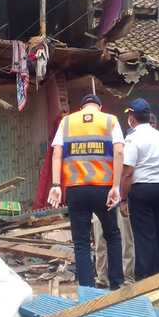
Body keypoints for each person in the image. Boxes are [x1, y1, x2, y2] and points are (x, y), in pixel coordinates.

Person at [48, 94, 125, 289]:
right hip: (104, 189)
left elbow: (57, 152)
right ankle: (116, 284)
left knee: (81, 242)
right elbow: (119, 152)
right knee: (112, 235)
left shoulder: (67, 122)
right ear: (99, 107)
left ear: (82, 108)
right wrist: (116, 186)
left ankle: (87, 290)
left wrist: (56, 185)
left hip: (76, 190)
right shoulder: (110, 120)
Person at [120, 98, 159, 280]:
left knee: (144, 236)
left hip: (142, 190)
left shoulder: (133, 138)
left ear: (132, 118)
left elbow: (127, 172)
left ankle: (147, 278)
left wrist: (123, 199)